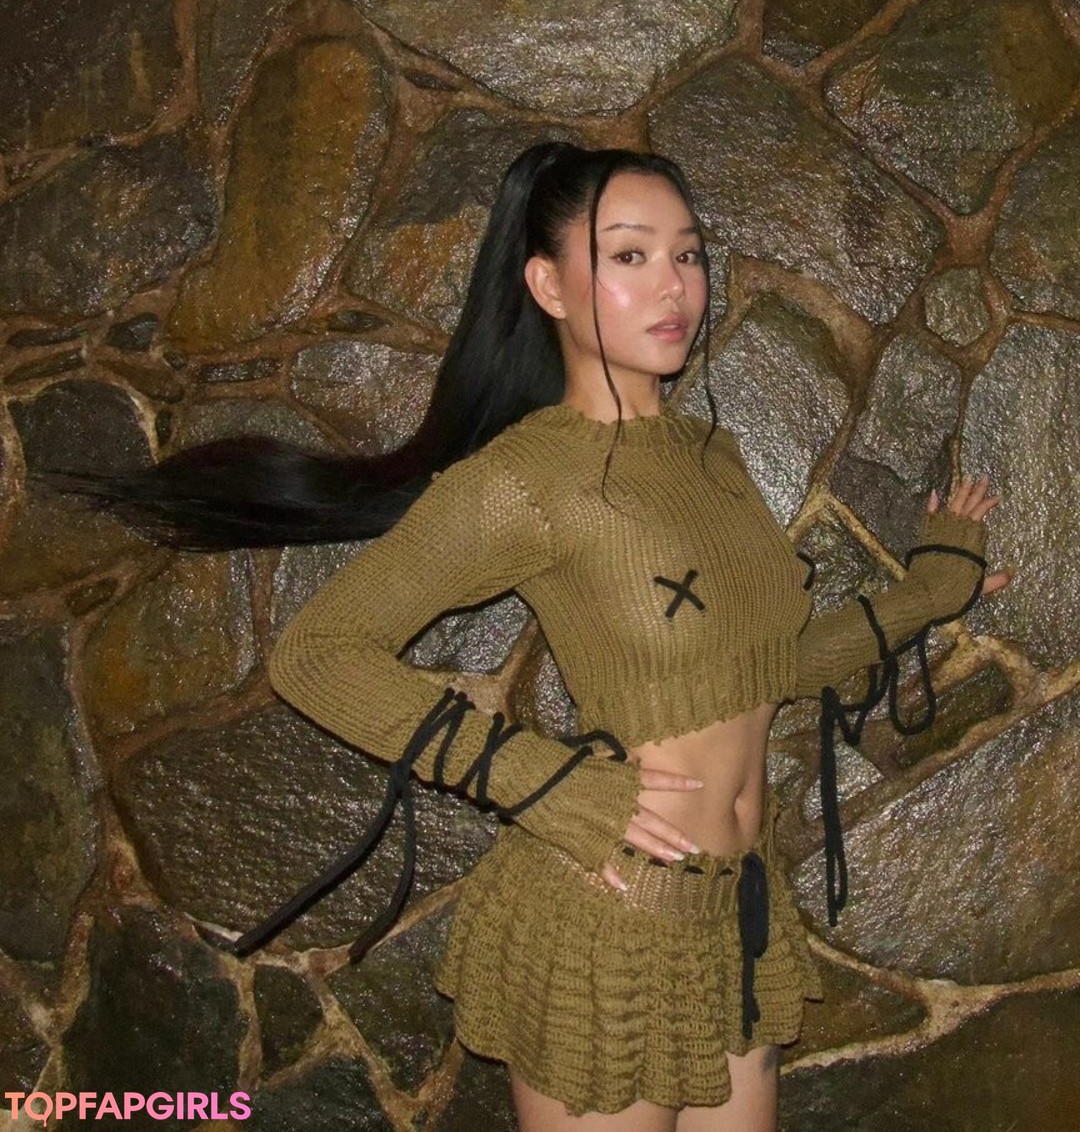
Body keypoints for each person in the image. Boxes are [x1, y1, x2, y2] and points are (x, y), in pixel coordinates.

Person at [43, 142, 1012, 1131]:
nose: (674, 284)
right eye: (629, 255)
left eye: (687, 253)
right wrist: (544, 784)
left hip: (735, 912)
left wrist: (928, 593)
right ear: (548, 285)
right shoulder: (527, 479)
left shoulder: (712, 456)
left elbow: (770, 670)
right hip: (607, 917)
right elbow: (319, 653)